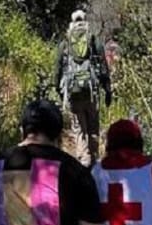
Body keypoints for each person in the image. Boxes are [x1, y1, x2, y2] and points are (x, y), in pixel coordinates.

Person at [56, 9, 111, 166]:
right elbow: (103, 67)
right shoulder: (93, 40)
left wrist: (59, 91)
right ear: (86, 21)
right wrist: (107, 90)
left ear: (72, 22)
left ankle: (83, 161)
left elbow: (58, 70)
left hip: (73, 92)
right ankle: (94, 160)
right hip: (91, 92)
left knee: (79, 128)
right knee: (93, 125)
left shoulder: (65, 43)